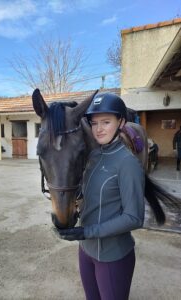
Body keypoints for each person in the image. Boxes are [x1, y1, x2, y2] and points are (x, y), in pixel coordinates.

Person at [56, 92, 145, 300]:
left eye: (106, 122)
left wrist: (88, 231)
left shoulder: (127, 163)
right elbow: (89, 196)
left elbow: (134, 218)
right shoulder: (93, 156)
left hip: (112, 256)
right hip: (85, 251)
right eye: (94, 123)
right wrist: (70, 213)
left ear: (121, 122)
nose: (99, 129)